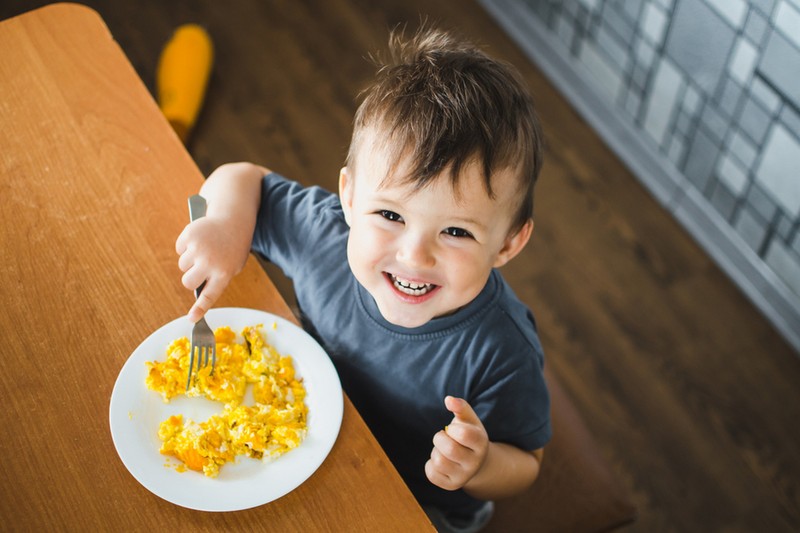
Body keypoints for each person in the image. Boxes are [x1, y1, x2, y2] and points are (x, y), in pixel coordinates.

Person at [176, 26, 551, 533]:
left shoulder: (502, 350)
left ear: (508, 244)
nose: (414, 254)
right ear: (349, 197)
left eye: (456, 231)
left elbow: (527, 462)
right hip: (302, 436)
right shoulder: (326, 237)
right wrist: (221, 225)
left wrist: (479, 466)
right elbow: (243, 178)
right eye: (390, 216)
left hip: (417, 502)